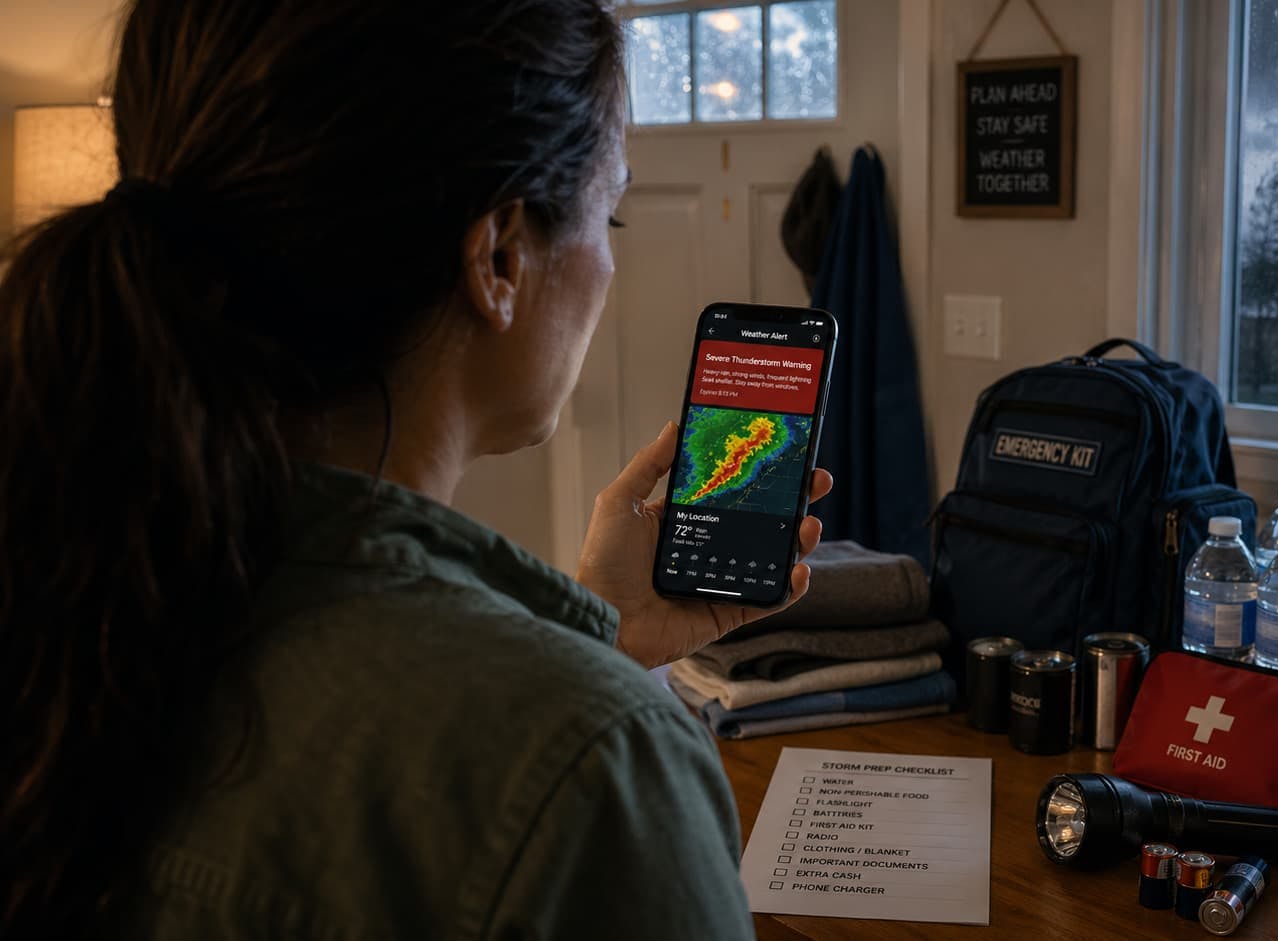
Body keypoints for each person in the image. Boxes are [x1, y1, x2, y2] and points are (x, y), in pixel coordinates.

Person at [0, 0, 831, 936]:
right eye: (614, 213)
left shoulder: (66, 598)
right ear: (500, 258)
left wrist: (605, 638)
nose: (608, 257)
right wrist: (588, 693)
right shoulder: (595, 766)